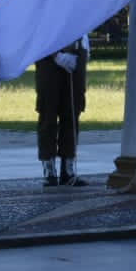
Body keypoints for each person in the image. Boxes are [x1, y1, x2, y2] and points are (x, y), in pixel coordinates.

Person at [35, 36, 90, 186]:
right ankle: (49, 169)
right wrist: (56, 55)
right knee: (48, 112)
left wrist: (85, 47)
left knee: (72, 112)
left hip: (77, 51)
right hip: (48, 54)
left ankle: (68, 168)